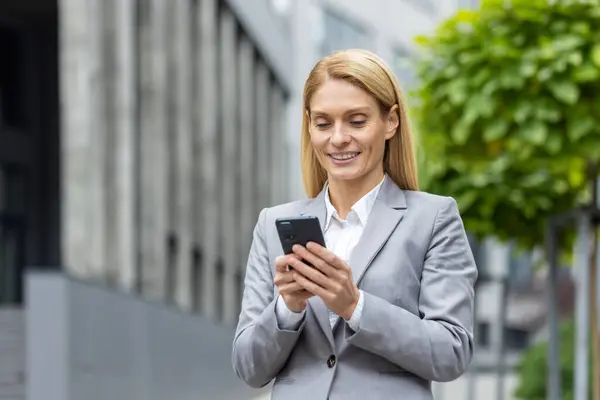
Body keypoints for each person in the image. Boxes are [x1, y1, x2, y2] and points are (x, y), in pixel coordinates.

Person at [232, 49, 478, 400]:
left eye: (357, 121)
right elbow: (248, 367)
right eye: (322, 123)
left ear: (390, 121)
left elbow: (451, 352)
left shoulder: (433, 219)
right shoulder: (273, 224)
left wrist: (355, 306)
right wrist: (287, 307)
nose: (338, 138)